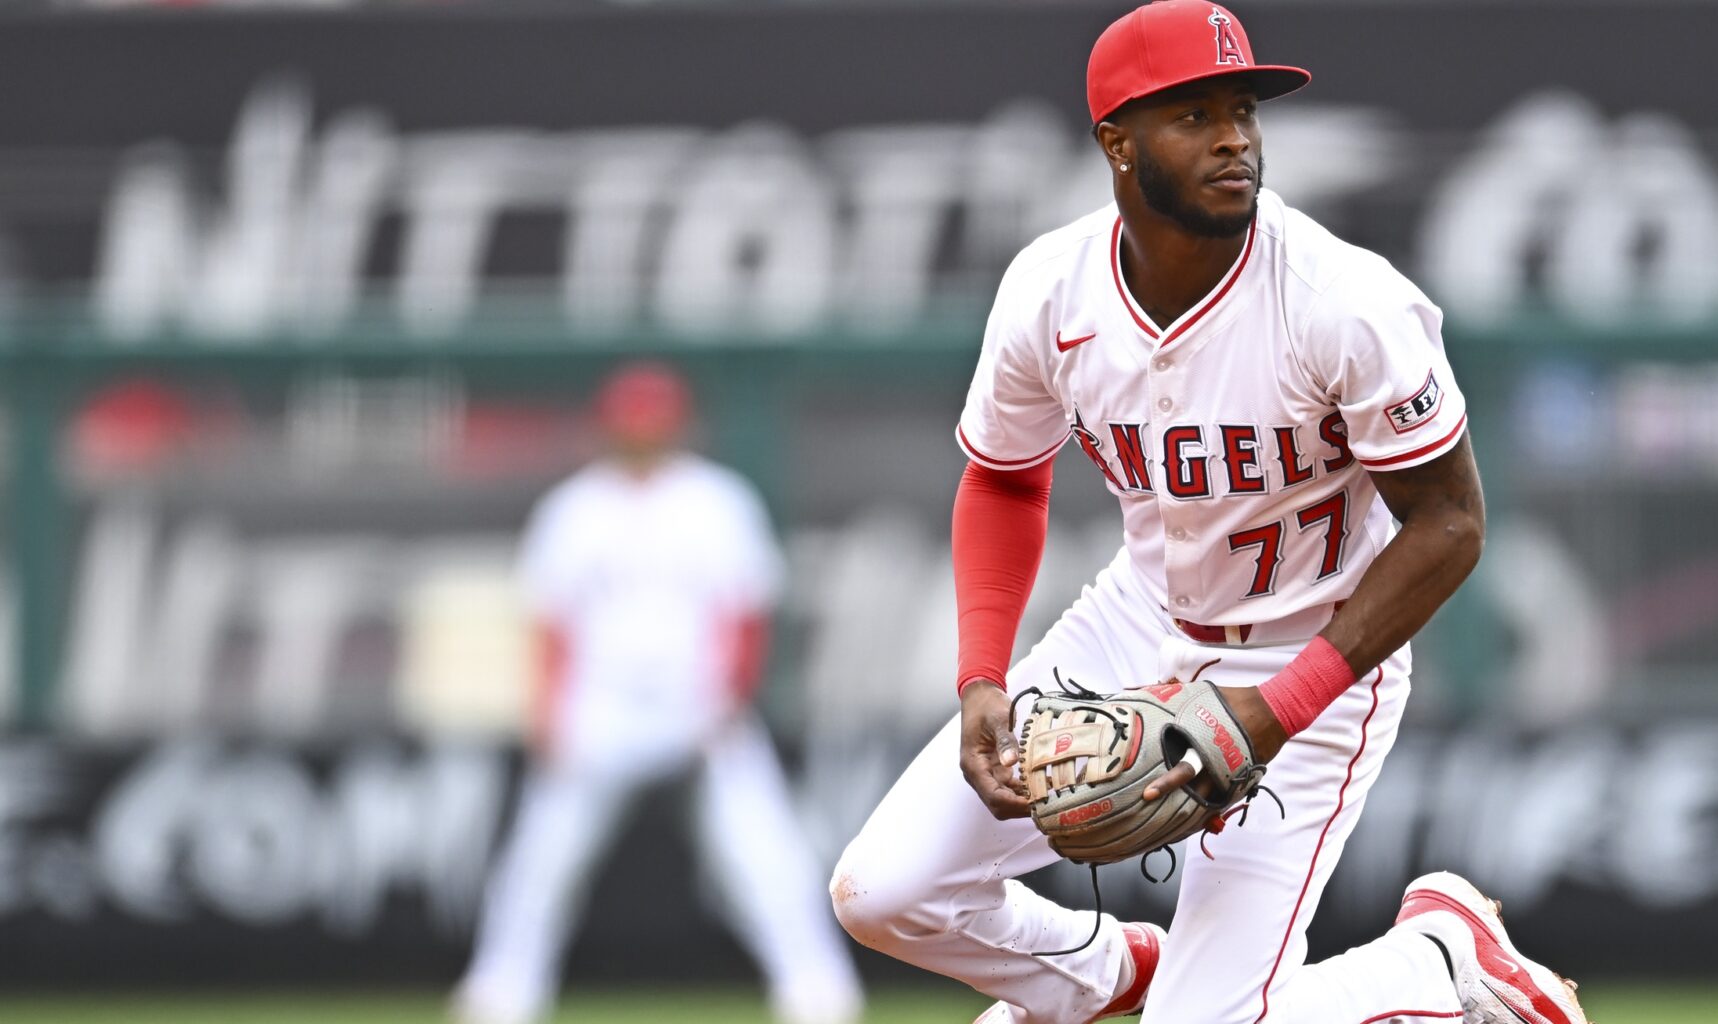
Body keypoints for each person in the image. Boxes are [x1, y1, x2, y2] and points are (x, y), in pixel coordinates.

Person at [829, 4, 1587, 1024]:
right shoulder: (1051, 292)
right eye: (1192, 114)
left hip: (1311, 654)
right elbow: (1005, 477)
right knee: (881, 892)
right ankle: (1112, 981)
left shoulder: (1342, 302)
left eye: (1242, 109)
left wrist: (1278, 710)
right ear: (1116, 141)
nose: (1234, 136)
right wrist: (980, 677)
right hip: (1136, 620)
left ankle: (1439, 963)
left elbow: (1452, 522)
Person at [454, 363, 863, 1024]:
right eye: (631, 422)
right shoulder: (574, 508)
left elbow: (747, 611)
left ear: (677, 425)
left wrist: (729, 697)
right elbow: (552, 622)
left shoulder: (715, 500)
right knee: (544, 857)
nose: (641, 433)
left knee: (765, 853)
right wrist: (550, 708)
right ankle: (502, 990)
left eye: (653, 421)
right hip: (602, 704)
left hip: (695, 701)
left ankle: (817, 989)